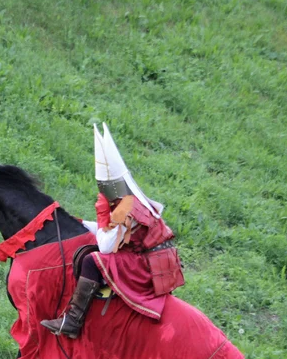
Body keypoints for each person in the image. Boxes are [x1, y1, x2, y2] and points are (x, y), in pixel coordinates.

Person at [41, 123, 185, 338]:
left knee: (93, 260)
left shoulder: (126, 207)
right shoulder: (128, 200)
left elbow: (107, 246)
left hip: (146, 264)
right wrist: (76, 222)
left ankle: (73, 321)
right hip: (145, 254)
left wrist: (100, 218)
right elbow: (112, 233)